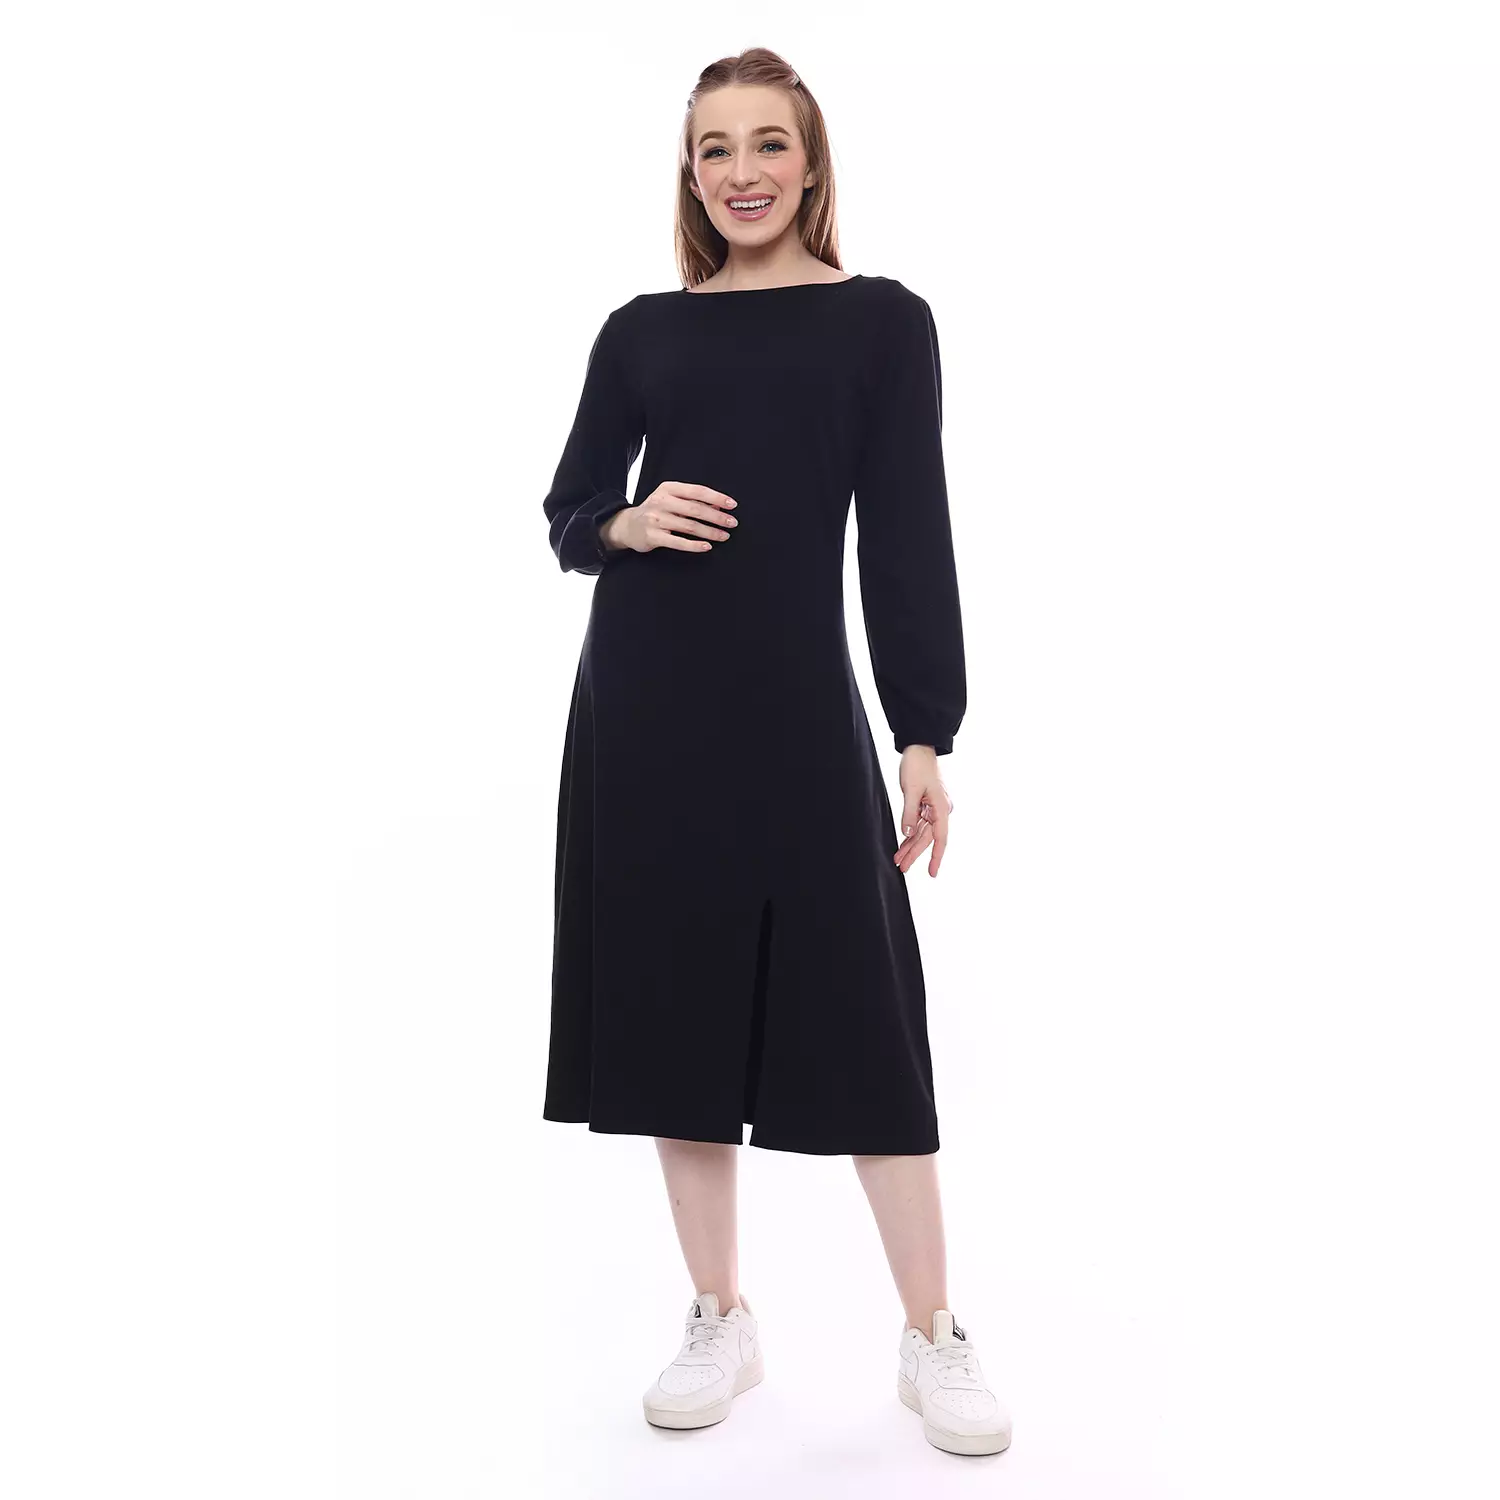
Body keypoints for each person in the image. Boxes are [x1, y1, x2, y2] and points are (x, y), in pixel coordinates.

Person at [538, 47, 1011, 1458]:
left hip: (802, 705)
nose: (741, 172)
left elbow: (909, 529)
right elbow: (569, 509)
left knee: (867, 1012)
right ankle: (720, 1315)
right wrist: (627, 522)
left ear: (810, 163)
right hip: (647, 704)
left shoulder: (882, 323)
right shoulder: (642, 333)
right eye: (714, 150)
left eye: (766, 144)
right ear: (690, 176)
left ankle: (933, 1334)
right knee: (674, 1012)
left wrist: (922, 730)